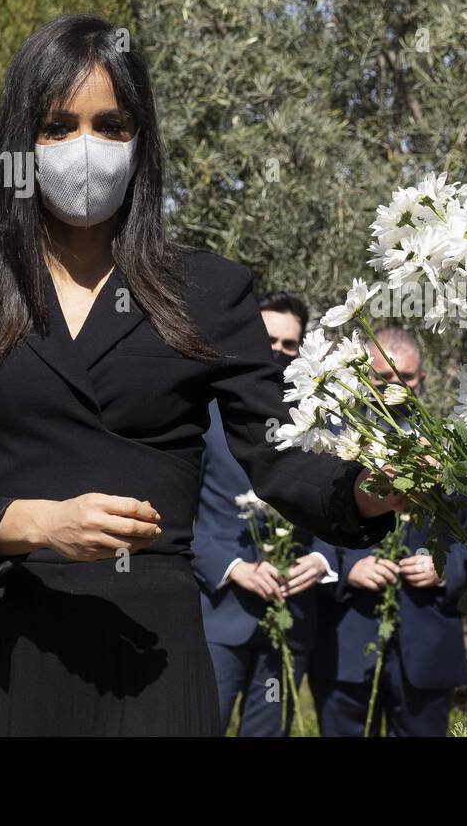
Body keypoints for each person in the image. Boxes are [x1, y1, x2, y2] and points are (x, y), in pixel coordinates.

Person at [0, 14, 405, 736]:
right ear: (19, 140)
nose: (85, 150)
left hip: (155, 662)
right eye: (58, 126)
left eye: (111, 124)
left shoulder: (208, 291)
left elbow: (280, 458)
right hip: (7, 661)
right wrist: (41, 523)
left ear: (142, 138)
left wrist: (371, 489)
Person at [308, 328, 467, 736]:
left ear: (420, 379)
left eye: (404, 378)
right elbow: (305, 517)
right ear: (364, 375)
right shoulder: (334, 441)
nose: (391, 388)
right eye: (381, 378)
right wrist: (346, 566)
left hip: (426, 640)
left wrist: (445, 569)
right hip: (347, 636)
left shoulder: (449, 445)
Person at [193, 290, 335, 735]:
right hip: (218, 612)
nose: (277, 351)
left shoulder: (321, 423)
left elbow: (337, 503)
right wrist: (232, 567)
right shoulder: (204, 414)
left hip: (290, 618)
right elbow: (175, 511)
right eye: (267, 339)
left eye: (289, 345)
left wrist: (321, 559)